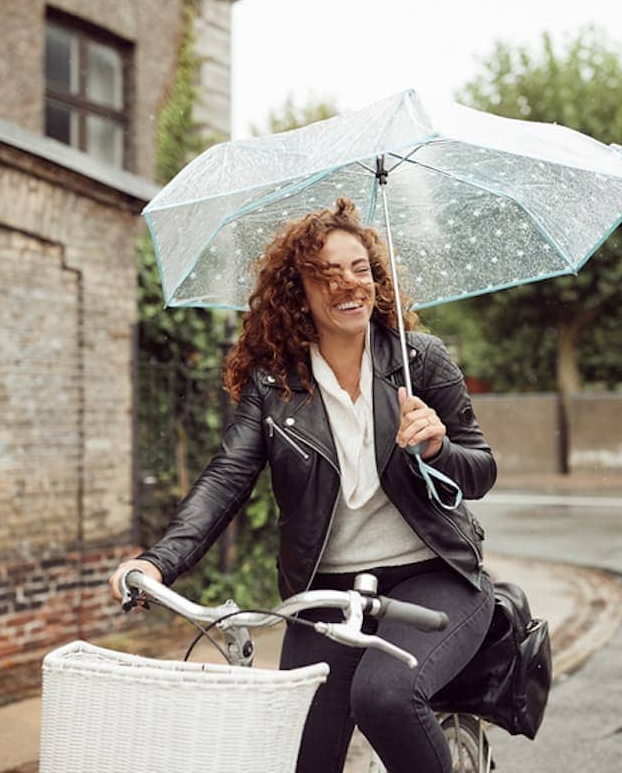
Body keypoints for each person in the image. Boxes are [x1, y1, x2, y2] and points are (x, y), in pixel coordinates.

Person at [108, 197, 496, 773]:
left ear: (376, 279)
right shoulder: (274, 384)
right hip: (326, 592)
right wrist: (158, 563)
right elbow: (227, 478)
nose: (349, 284)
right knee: (299, 752)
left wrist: (438, 446)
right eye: (327, 273)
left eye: (360, 268)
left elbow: (481, 470)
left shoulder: (420, 359)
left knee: (384, 696)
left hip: (436, 575)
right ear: (297, 293)